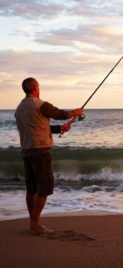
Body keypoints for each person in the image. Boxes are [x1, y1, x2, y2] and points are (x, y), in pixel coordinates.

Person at [15, 77, 83, 234]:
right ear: (35, 88)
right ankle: (35, 224)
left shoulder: (19, 109)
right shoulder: (41, 104)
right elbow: (59, 113)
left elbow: (38, 126)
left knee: (31, 188)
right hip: (41, 151)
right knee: (45, 187)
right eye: (38, 86)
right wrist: (75, 112)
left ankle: (33, 222)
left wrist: (60, 129)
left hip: (26, 150)